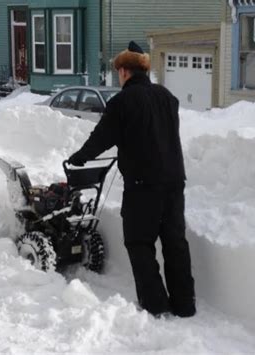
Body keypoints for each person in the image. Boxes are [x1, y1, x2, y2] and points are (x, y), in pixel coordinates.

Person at [68, 41, 196, 317]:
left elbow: (101, 138)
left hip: (143, 187)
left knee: (140, 243)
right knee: (175, 243)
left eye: (118, 71)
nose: (118, 76)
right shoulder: (167, 97)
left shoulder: (122, 102)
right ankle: (185, 305)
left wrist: (79, 158)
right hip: (175, 182)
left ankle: (155, 304)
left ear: (125, 71)